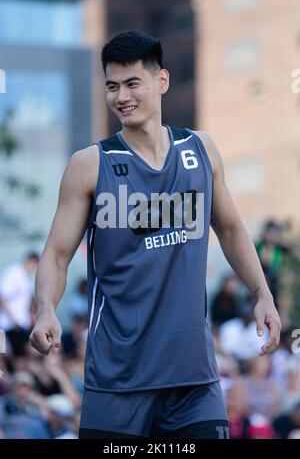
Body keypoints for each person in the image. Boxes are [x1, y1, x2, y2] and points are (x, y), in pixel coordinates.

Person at [29, 31, 281, 439]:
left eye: (132, 84)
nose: (121, 96)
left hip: (193, 378)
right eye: (112, 86)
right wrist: (45, 308)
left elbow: (231, 228)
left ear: (161, 81)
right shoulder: (91, 165)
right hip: (117, 379)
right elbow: (57, 256)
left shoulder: (200, 150)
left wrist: (262, 293)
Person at [0, 252, 39, 356]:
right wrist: (13, 321)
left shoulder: (25, 277)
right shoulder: (14, 273)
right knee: (7, 357)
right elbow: (2, 298)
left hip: (19, 326)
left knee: (22, 357)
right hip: (8, 326)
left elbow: (28, 299)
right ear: (31, 261)